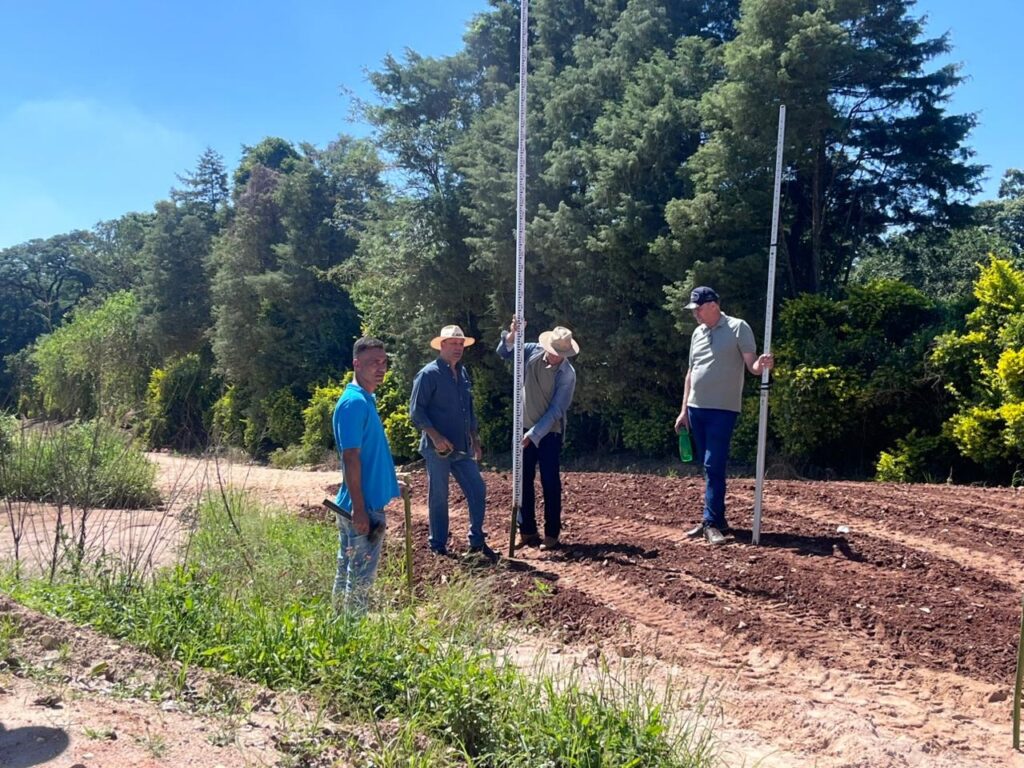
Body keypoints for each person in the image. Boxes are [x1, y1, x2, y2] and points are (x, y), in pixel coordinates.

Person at [674, 287, 774, 545]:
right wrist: (684, 410)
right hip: (697, 408)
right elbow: (690, 372)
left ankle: (710, 523)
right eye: (694, 309)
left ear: (714, 305)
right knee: (709, 468)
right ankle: (716, 519)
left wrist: (761, 366)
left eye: (698, 308)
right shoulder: (697, 333)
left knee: (713, 464)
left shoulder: (739, 327)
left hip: (723, 409)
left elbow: (751, 365)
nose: (695, 313)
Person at [409, 324, 495, 561]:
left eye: (460, 344)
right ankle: (438, 546)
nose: (458, 348)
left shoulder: (463, 373)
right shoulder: (428, 374)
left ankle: (477, 542)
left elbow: (468, 409)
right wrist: (436, 437)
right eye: (453, 344)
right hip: (438, 450)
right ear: (442, 345)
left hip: (462, 446)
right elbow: (416, 411)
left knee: (478, 488)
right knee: (439, 495)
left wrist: (475, 439)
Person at [332, 337, 401, 613]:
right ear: (356, 364)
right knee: (359, 580)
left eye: (383, 362)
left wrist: (393, 480)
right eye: (373, 362)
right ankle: (352, 637)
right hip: (362, 507)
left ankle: (338, 629)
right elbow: (351, 457)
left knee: (347, 571)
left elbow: (370, 454)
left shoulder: (365, 400)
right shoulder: (354, 403)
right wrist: (360, 509)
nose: (380, 367)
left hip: (361, 504)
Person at [497, 320, 578, 551]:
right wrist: (513, 334)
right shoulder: (531, 351)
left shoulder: (567, 374)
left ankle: (552, 534)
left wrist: (535, 434)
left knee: (550, 481)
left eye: (560, 354)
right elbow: (505, 351)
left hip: (549, 433)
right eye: (553, 352)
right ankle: (527, 531)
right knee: (522, 481)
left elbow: (556, 410)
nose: (555, 357)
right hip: (523, 427)